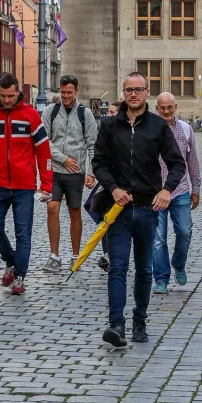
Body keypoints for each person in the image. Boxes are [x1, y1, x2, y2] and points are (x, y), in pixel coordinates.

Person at [92, 71, 185, 347]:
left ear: (147, 92)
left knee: (144, 269)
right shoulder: (110, 126)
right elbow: (99, 162)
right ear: (123, 93)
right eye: (128, 90)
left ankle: (140, 320)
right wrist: (113, 187)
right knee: (117, 267)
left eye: (138, 89)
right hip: (118, 208)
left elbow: (177, 162)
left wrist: (167, 190)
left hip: (146, 208)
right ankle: (116, 325)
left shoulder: (158, 126)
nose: (133, 94)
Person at [0, 74, 53, 295]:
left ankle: (20, 277)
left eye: (11, 95)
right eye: (3, 95)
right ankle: (10, 261)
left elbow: (43, 151)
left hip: (24, 185)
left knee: (23, 233)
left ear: (19, 92)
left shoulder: (31, 116)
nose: (7, 100)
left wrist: (46, 183)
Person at [41, 75, 98, 271]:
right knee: (52, 208)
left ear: (76, 92)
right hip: (56, 170)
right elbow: (44, 141)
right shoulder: (51, 111)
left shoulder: (85, 114)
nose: (66, 96)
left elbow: (92, 145)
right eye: (63, 92)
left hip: (76, 172)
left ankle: (76, 255)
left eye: (69, 92)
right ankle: (54, 255)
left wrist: (91, 173)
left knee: (75, 212)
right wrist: (63, 158)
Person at [149, 93, 200, 293]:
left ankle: (178, 263)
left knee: (185, 232)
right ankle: (161, 277)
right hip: (155, 192)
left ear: (175, 107)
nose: (166, 111)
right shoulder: (150, 129)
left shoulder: (186, 130)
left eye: (170, 107)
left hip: (180, 190)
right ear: (157, 108)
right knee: (158, 237)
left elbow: (193, 162)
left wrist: (196, 189)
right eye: (162, 108)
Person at [95, 100, 123, 273]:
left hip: (126, 186)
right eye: (109, 112)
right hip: (108, 185)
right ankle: (107, 255)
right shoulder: (105, 131)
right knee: (106, 218)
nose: (108, 115)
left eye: (112, 112)